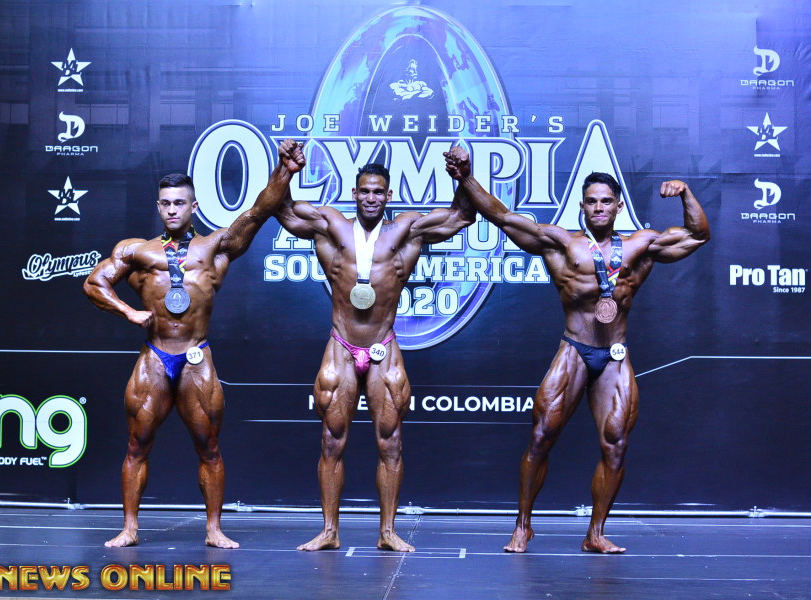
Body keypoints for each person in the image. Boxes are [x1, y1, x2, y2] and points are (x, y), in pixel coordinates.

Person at [444, 146, 710, 553]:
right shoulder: (560, 244)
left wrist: (687, 193)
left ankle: (595, 533)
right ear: (581, 207)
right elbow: (501, 216)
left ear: (619, 206)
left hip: (614, 356)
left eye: (606, 201)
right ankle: (523, 526)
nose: (598, 207)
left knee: (616, 443)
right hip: (575, 349)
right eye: (591, 201)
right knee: (541, 436)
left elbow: (697, 235)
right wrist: (465, 178)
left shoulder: (641, 246)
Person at [83, 140, 306, 547]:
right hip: (154, 357)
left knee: (209, 447)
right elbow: (94, 283)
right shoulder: (136, 251)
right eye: (166, 203)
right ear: (158, 207)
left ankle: (214, 529)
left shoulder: (215, 247)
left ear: (194, 206)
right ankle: (129, 529)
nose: (172, 210)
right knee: (136, 445)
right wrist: (129, 312)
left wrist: (285, 171)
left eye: (180, 203)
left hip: (196, 356)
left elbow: (257, 212)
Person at [276, 140, 475, 552]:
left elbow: (462, 216)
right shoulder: (330, 226)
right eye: (364, 191)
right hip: (341, 345)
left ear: (388, 195)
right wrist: (285, 170)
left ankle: (387, 532)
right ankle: (329, 532)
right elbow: (282, 210)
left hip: (384, 346)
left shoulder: (406, 230)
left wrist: (463, 177)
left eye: (378, 192)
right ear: (354, 193)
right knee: (332, 440)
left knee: (391, 441)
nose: (371, 198)